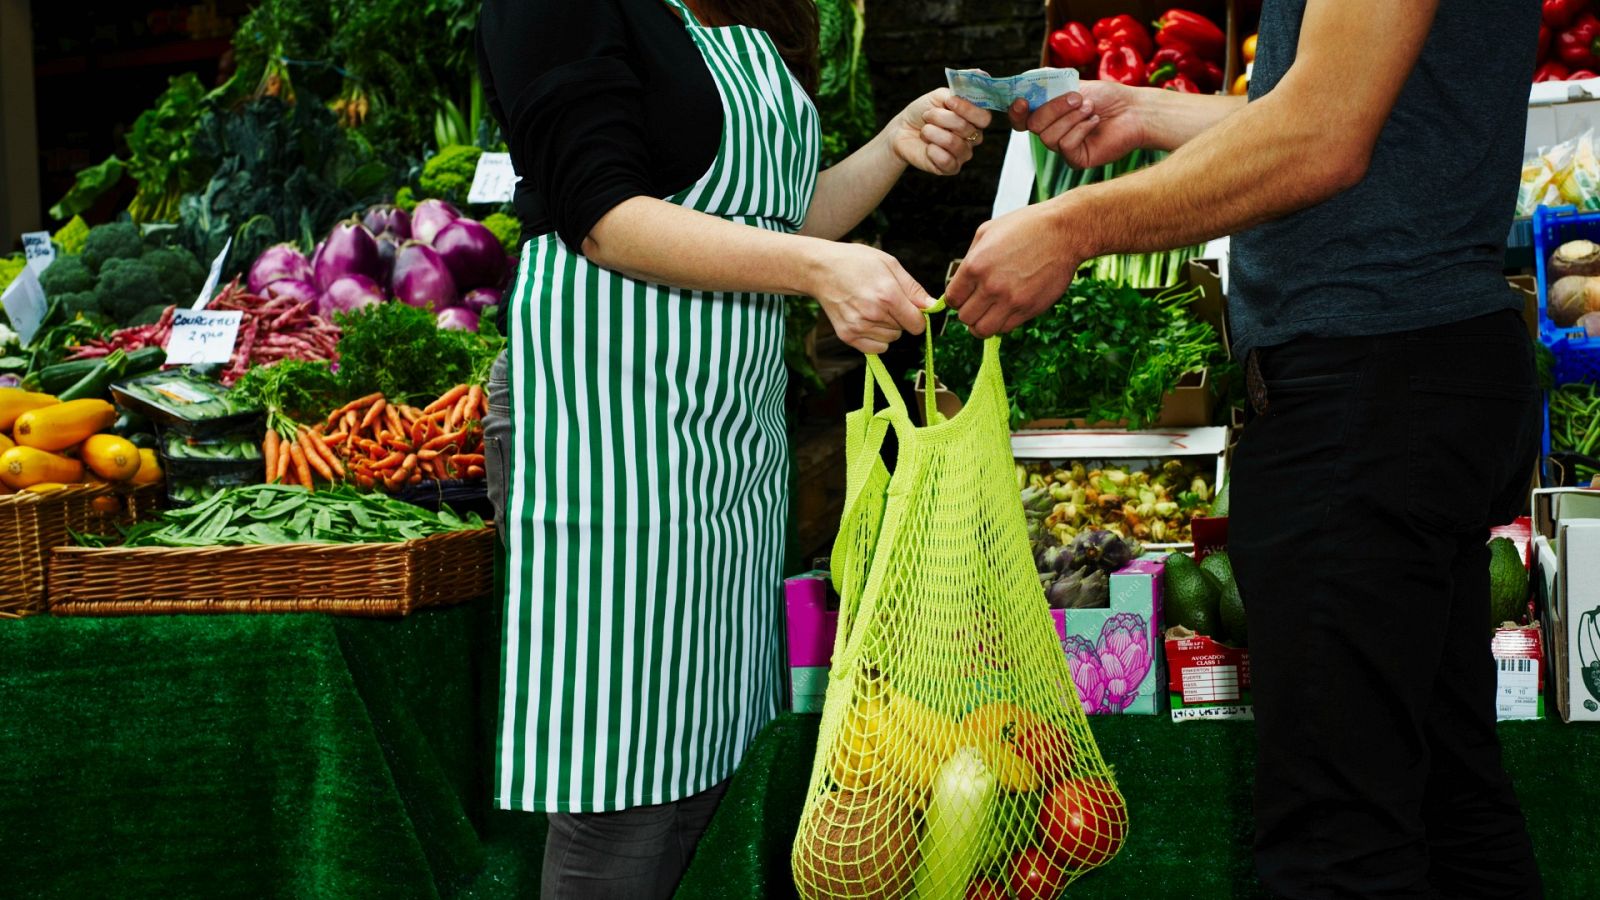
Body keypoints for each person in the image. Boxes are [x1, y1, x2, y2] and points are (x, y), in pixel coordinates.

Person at [947, 1, 1544, 897]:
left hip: (1367, 382)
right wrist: (1143, 111)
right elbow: (1357, 107)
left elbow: (1322, 135)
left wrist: (1070, 226)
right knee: (1445, 794)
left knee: (1337, 842)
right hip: (1415, 366)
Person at [475, 1, 991, 896]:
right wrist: (820, 272)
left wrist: (892, 147)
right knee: (622, 780)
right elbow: (602, 215)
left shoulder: (745, 8)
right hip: (606, 427)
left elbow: (774, 220)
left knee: (709, 757)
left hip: (727, 439)